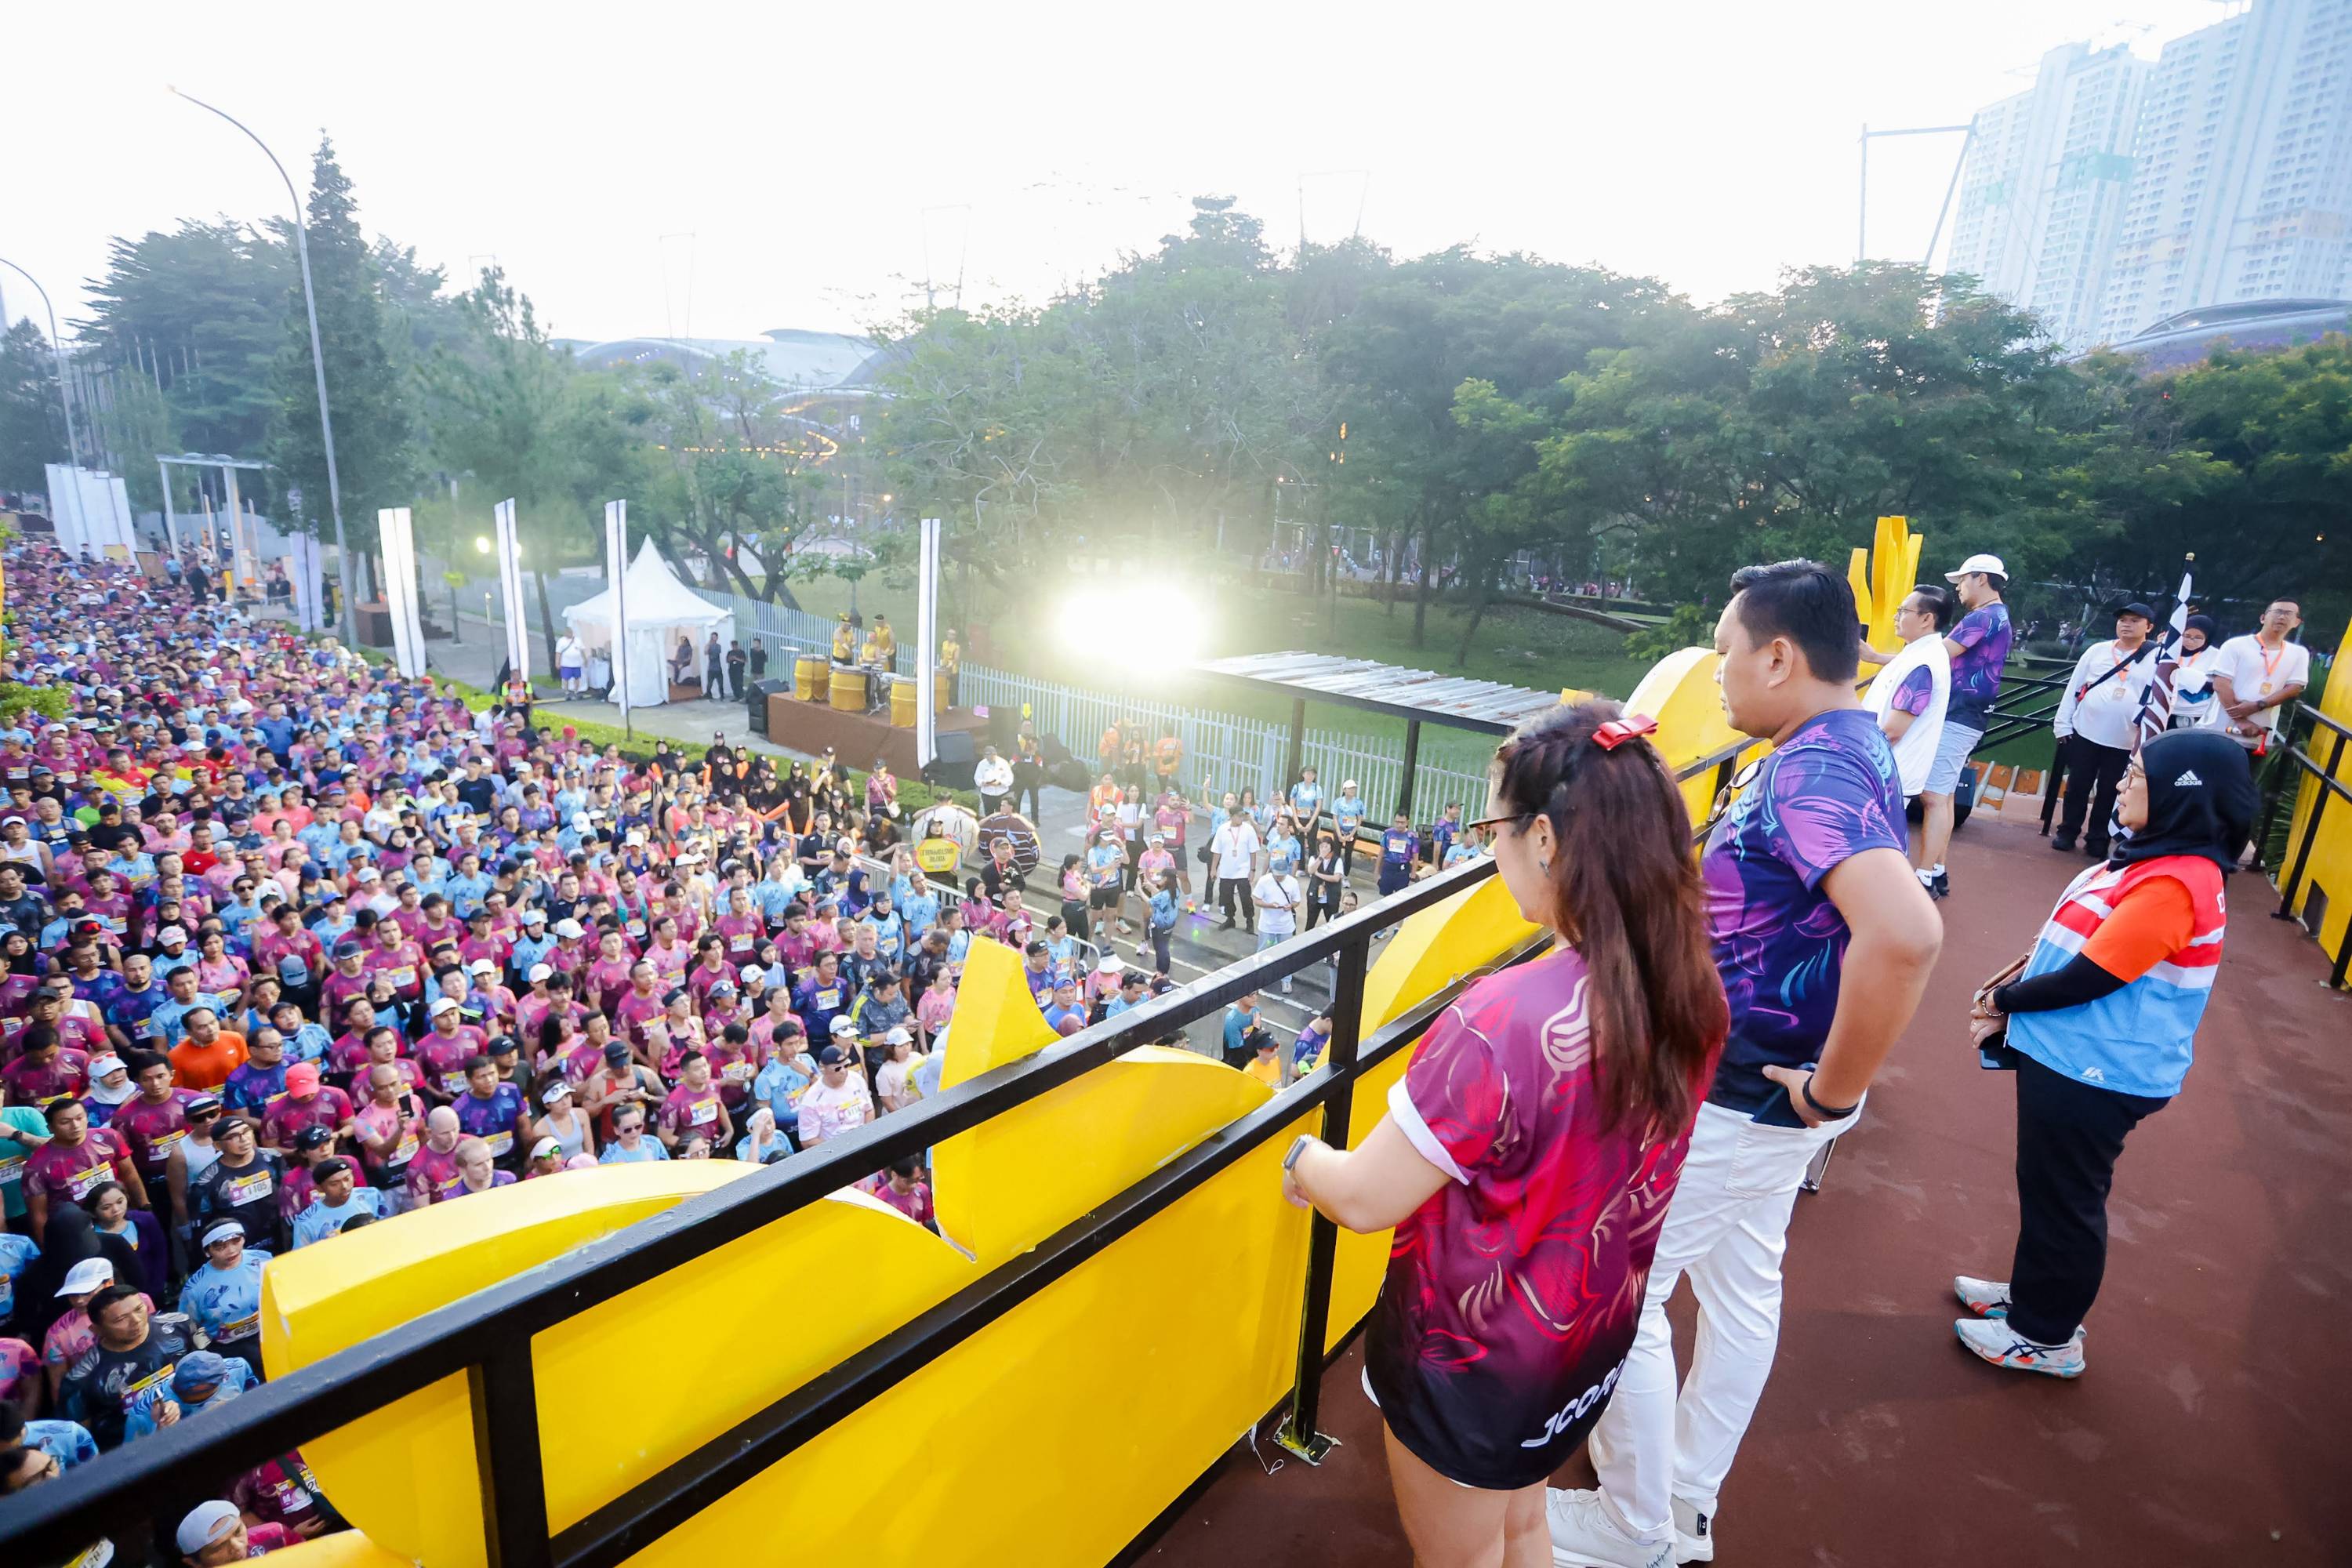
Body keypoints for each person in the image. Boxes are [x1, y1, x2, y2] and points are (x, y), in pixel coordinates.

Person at [1552, 561, 1942, 1567]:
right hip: (1768, 1093)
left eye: (1725, 651)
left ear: (1776, 655)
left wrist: (1834, 1092)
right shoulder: (1842, 743)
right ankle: (1684, 1498)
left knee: (1624, 1296)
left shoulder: (1816, 767)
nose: (1718, 672)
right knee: (1740, 1291)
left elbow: (1906, 934)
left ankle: (1630, 1525)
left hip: (1740, 1094)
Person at [1284, 699, 1728, 1568]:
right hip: (1584, 1336)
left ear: (1547, 839)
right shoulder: (1687, 984)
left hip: (1473, 1362)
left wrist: (1303, 1157)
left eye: (1495, 829)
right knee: (1523, 1524)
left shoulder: (1502, 1018)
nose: (1491, 851)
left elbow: (1365, 1198)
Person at [1958, 730, 2255, 1376]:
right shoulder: (2159, 858)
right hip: (2077, 1057)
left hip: (2097, 1069)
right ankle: (2033, 1298)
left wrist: (2005, 1000)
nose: (2121, 784)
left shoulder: (2176, 880)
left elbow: (2091, 977)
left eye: (2137, 777)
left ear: (2182, 795)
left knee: (2065, 1199)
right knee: (2049, 1188)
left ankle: (2046, 1337)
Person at [1867, 550, 2011, 900]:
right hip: (1968, 714)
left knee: (1932, 796)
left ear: (1981, 578)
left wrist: (1874, 658)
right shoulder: (1996, 616)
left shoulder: (1983, 617)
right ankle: (1936, 869)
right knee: (1942, 794)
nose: (1959, 588)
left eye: (1962, 580)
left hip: (1959, 714)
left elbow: (1933, 654)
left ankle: (1924, 877)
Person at [1861, 584, 1954, 887]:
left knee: (1871, 854)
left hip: (1886, 772)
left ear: (1927, 619)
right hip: (1885, 770)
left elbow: (1893, 730)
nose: (1896, 616)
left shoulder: (1923, 664)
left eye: (1903, 611)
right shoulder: (1918, 655)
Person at [2050, 602, 2159, 858]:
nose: (2126, 625)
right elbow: (2074, 686)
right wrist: (2062, 723)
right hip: (2086, 732)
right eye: (2123, 620)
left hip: (2125, 740)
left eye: (2134, 621)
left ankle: (2098, 838)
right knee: (2077, 785)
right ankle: (2068, 831)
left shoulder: (2157, 657)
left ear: (2149, 627)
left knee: (2112, 790)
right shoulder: (2098, 651)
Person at [2208, 597, 2310, 753]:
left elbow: (2294, 688)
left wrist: (2258, 705)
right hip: (2220, 729)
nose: (2282, 617)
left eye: (2289, 613)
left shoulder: (2299, 653)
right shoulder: (2235, 645)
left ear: (2297, 622)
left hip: (2258, 735)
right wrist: (2241, 720)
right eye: (2277, 612)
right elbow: (2220, 685)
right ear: (2263, 618)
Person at [1210, 804, 1259, 934]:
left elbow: (1253, 852)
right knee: (1226, 896)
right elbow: (1217, 851)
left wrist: (1252, 870)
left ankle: (1249, 920)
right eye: (1239, 816)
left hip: (1243, 870)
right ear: (1231, 816)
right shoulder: (1222, 829)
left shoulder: (1248, 830)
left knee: (1245, 897)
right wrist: (1213, 869)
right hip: (1227, 870)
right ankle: (1230, 918)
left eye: (1243, 816)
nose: (1241, 818)